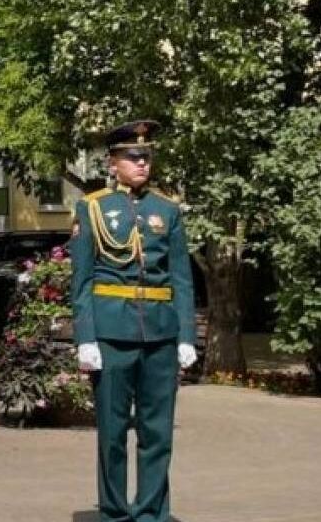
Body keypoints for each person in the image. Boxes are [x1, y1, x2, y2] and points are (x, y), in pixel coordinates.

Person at [70, 120, 197, 522]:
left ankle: (151, 514)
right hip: (111, 335)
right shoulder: (92, 208)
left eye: (146, 156)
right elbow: (83, 280)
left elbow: (181, 278)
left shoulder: (167, 210)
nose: (142, 162)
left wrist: (186, 335)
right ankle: (113, 513)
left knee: (156, 433)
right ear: (113, 163)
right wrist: (85, 337)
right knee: (112, 434)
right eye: (133, 156)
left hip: (160, 333)